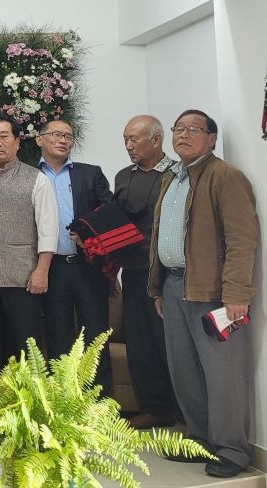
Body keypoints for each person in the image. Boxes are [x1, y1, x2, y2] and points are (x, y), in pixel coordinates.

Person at [149, 110, 258, 478]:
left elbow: (242, 240)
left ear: (212, 139)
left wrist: (237, 293)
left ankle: (232, 449)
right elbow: (162, 237)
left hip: (213, 292)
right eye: (178, 128)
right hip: (174, 286)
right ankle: (200, 441)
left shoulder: (226, 177)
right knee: (185, 372)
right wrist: (158, 287)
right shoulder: (172, 178)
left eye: (193, 129)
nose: (183, 134)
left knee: (222, 374)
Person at [0, 115, 57, 373]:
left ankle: (26, 407)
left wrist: (42, 270)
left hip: (23, 278)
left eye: (4, 136)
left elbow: (48, 230)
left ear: (17, 142)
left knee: (24, 345)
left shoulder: (36, 179)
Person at [35, 120, 114, 391]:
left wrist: (88, 235)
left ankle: (101, 403)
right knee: (58, 335)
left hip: (87, 267)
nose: (63, 140)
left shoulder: (90, 174)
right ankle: (63, 402)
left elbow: (110, 212)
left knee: (95, 335)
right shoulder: (28, 175)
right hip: (50, 268)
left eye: (68, 136)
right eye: (56, 134)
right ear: (39, 139)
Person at [115, 115, 177, 429]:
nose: (128, 146)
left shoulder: (177, 174)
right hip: (134, 270)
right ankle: (155, 407)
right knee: (140, 341)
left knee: (169, 340)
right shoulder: (124, 176)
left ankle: (184, 411)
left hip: (167, 272)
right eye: (125, 139)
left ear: (156, 140)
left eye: (134, 139)